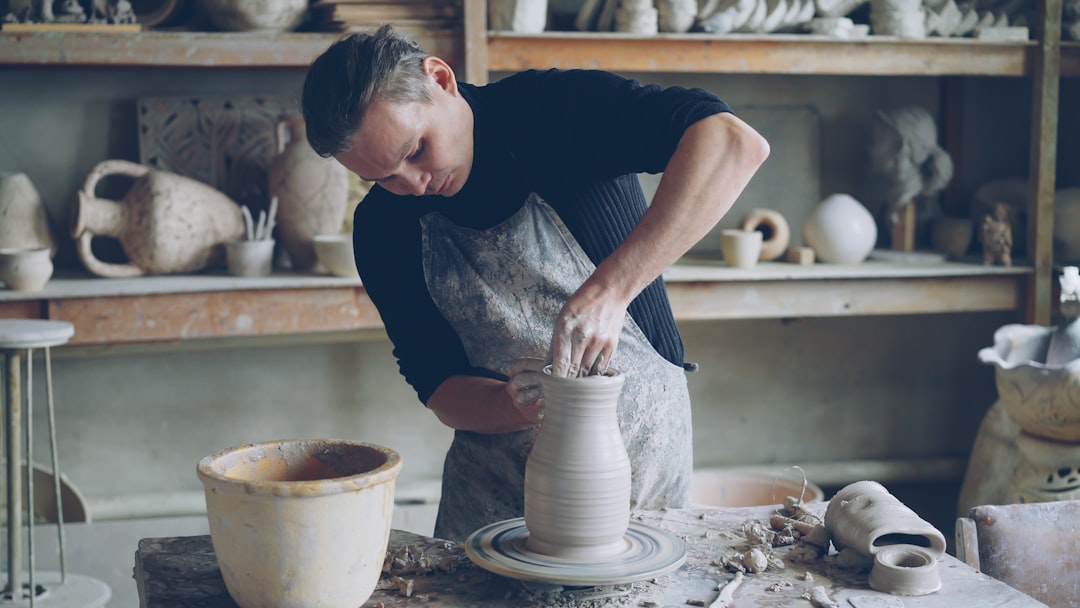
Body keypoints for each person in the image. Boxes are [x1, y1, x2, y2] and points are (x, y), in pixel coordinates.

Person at [301, 25, 769, 542]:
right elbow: (438, 386)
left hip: (638, 462)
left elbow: (732, 141)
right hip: (493, 492)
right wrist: (515, 405)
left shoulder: (549, 111)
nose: (412, 186)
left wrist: (610, 291)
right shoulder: (382, 227)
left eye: (416, 151)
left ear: (440, 79)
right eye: (383, 177)